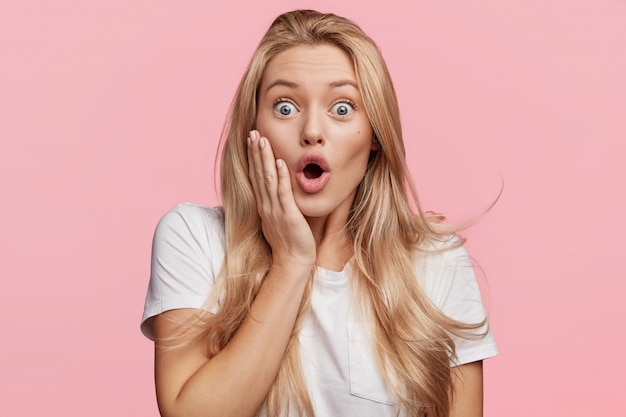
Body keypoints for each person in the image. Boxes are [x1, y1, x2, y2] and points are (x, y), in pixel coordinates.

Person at [140, 9, 498, 417]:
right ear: (252, 126)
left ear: (376, 136)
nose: (312, 130)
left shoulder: (435, 262)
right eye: (285, 107)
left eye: (342, 108)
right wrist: (292, 262)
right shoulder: (193, 237)